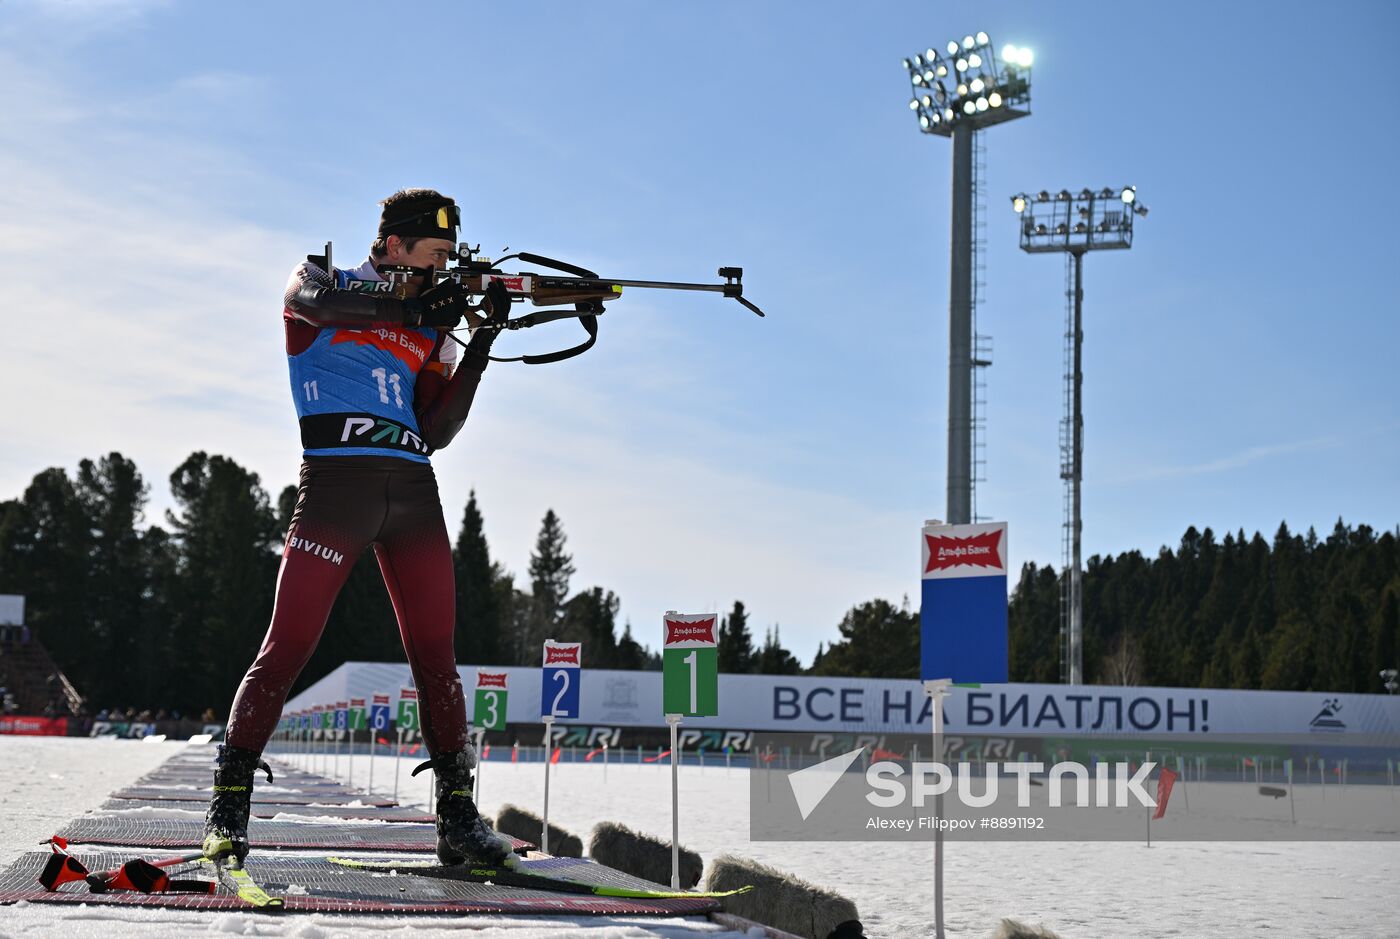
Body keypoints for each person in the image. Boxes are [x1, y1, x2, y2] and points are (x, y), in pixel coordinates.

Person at [203, 188, 513, 867]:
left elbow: (437, 429)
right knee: (287, 644)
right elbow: (313, 306)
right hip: (335, 489)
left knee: (437, 657)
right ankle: (227, 806)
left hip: (413, 493)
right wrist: (413, 310)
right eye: (434, 254)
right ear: (395, 245)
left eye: (449, 258)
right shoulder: (322, 277)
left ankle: (457, 818)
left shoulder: (433, 322)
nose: (441, 268)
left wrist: (481, 341)